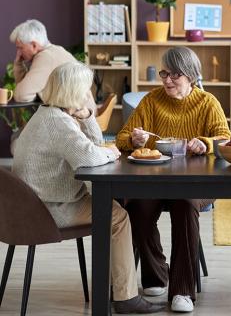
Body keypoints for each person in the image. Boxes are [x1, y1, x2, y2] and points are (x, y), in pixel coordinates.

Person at [12, 62, 164, 314]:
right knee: (118, 217)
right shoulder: (58, 124)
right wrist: (113, 151)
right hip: (50, 210)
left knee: (113, 211)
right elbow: (91, 156)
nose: (88, 95)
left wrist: (88, 118)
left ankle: (116, 287)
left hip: (36, 204)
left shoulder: (49, 114)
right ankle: (126, 298)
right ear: (73, 92)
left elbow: (92, 146)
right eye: (85, 90)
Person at [116, 46, 231, 313]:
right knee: (136, 207)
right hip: (155, 180)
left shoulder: (207, 102)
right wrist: (134, 139)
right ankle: (156, 275)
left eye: (175, 74)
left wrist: (205, 143)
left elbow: (224, 138)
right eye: (164, 73)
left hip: (197, 183)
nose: (167, 80)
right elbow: (121, 138)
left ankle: (182, 290)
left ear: (190, 75)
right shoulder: (151, 101)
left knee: (185, 204)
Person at [9, 19, 96, 112]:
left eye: (20, 48)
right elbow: (23, 89)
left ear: (34, 45)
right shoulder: (54, 51)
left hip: (80, 120)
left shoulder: (46, 57)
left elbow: (21, 95)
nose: (18, 53)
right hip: (84, 116)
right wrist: (19, 64)